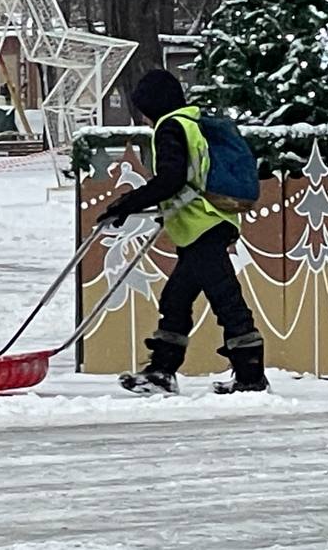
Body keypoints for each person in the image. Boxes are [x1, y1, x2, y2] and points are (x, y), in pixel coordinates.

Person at [98, 69, 268, 395]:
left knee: (226, 300)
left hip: (202, 225)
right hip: (206, 223)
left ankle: (250, 376)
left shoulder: (170, 127)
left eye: (143, 109)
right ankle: (162, 370)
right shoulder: (191, 122)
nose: (144, 117)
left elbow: (171, 179)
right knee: (176, 299)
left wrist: (128, 203)